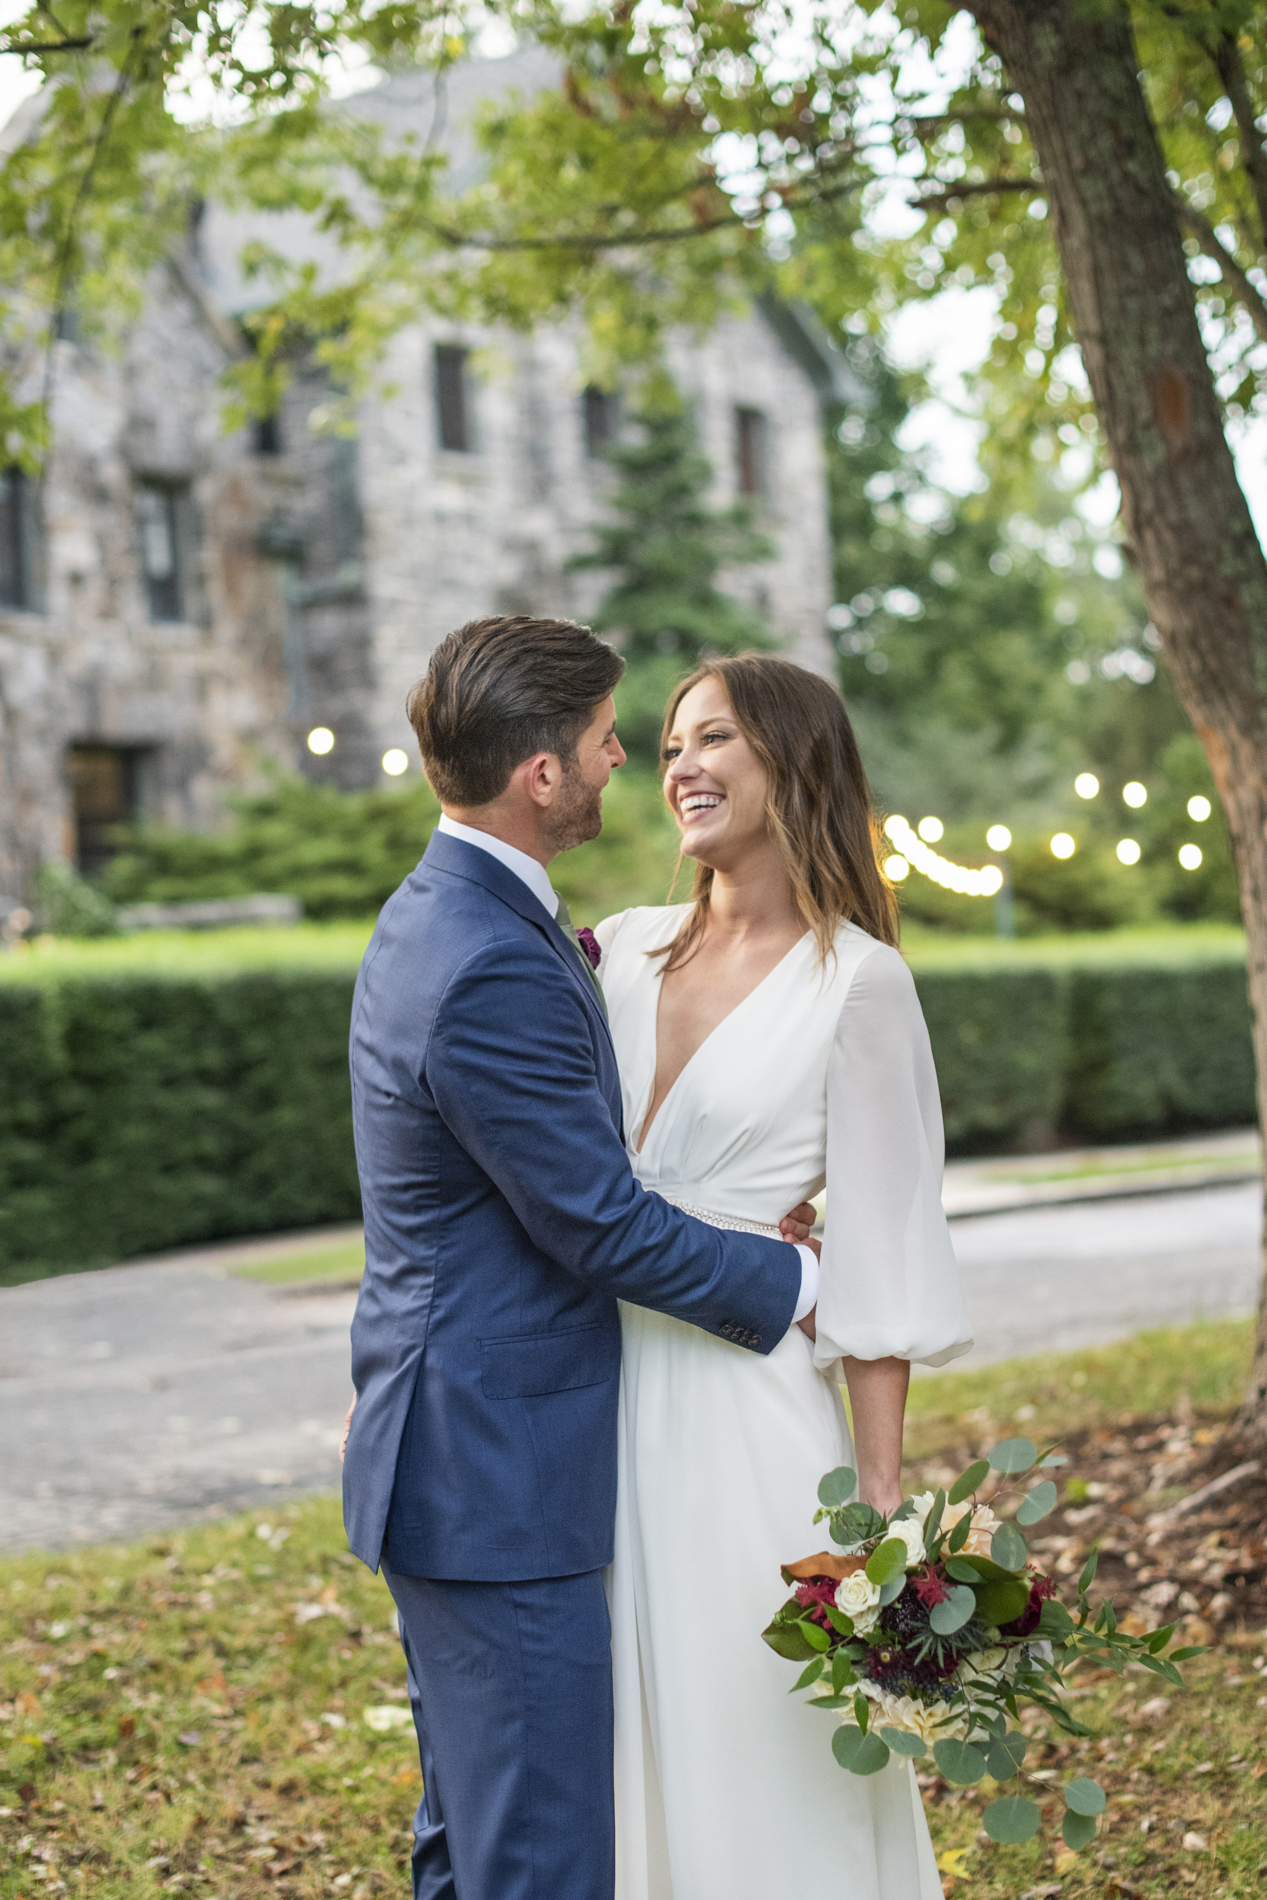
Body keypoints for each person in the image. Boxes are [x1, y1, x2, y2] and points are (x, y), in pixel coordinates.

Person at [340, 615, 821, 1900]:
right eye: (611, 742)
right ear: (540, 772)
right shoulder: (490, 955)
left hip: (457, 1453)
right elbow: (596, 1222)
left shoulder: (457, 912)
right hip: (495, 1477)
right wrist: (794, 1283)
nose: (628, 764)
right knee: (541, 1854)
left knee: (479, 1837)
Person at [595, 654, 973, 1900]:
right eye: (666, 747)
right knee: (613, 1763)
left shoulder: (859, 981)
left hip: (746, 1426)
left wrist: (873, 1524)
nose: (681, 768)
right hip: (585, 1409)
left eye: (714, 740)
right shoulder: (615, 955)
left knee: (763, 1761)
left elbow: (878, 1265)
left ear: (791, 760)